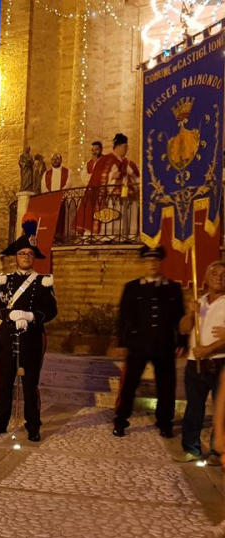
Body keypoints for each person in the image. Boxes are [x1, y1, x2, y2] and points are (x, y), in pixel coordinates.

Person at [0, 236, 57, 442]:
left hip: (32, 337)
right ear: (15, 257)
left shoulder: (43, 282)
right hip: (8, 337)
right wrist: (9, 315)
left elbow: (52, 310)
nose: (26, 257)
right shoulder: (4, 280)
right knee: (5, 382)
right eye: (22, 253)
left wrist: (31, 316)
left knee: (30, 384)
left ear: (34, 257)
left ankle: (33, 426)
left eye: (30, 254)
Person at [113, 245, 183, 438]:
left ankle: (165, 423)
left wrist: (182, 341)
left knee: (166, 386)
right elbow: (124, 317)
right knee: (129, 385)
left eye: (155, 260)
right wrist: (121, 343)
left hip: (164, 344)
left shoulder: (172, 288)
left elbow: (180, 317)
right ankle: (120, 420)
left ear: (161, 263)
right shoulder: (133, 287)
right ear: (143, 263)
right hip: (138, 344)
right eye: (148, 260)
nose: (152, 264)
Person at [172, 260, 225, 463]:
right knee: (194, 407)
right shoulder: (199, 302)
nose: (219, 277)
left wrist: (208, 349)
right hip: (195, 363)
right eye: (214, 273)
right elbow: (184, 328)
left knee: (221, 408)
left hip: (220, 362)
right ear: (205, 278)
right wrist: (190, 313)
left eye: (223, 275)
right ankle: (191, 448)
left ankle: (217, 450)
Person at [74, 133, 140, 235]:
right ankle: (109, 236)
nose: (127, 149)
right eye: (125, 147)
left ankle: (127, 236)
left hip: (126, 198)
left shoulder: (128, 162)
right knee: (112, 222)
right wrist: (112, 176)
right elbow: (98, 178)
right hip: (110, 199)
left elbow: (137, 178)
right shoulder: (105, 160)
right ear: (118, 146)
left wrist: (130, 174)